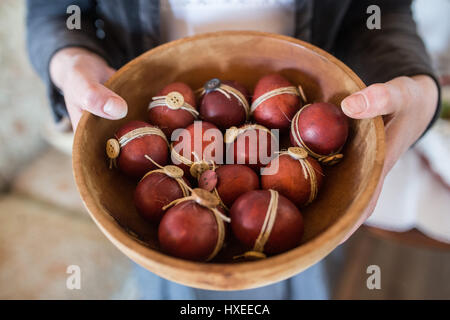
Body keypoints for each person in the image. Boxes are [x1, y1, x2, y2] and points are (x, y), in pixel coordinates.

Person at [26, 0, 441, 299]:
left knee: (304, 283)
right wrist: (69, 59)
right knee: (177, 281)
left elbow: (381, 12)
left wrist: (413, 79)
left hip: (308, 219)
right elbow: (52, 12)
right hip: (161, 229)